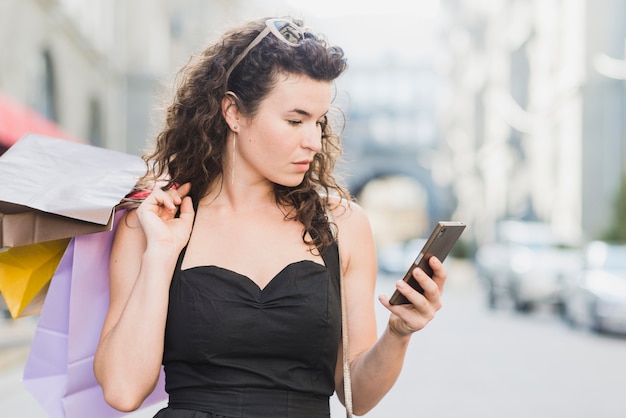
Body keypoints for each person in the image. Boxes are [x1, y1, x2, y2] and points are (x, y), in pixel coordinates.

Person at [93, 16, 447, 418]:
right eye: (295, 121)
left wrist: (398, 334)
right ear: (234, 113)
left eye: (319, 122)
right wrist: (160, 254)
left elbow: (358, 397)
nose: (313, 141)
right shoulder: (155, 222)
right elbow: (122, 391)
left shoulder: (343, 225)